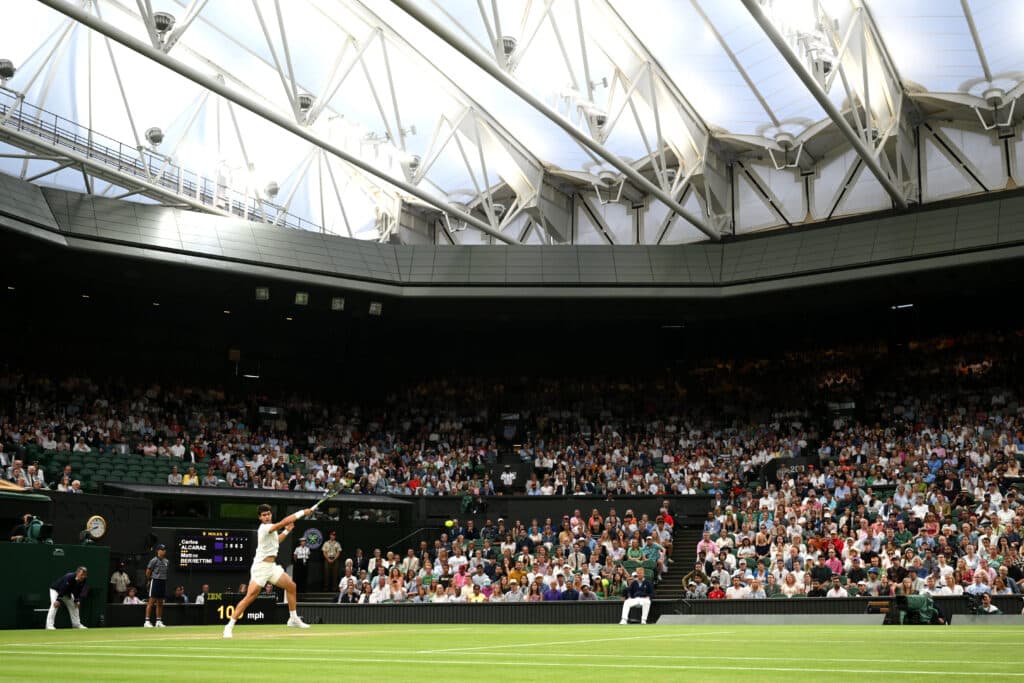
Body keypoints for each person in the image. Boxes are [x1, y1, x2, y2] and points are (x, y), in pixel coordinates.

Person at [223, 504, 313, 638]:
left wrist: (287, 531)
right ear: (260, 517)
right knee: (250, 597)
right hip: (260, 567)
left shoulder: (271, 530)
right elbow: (282, 523)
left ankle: (293, 618)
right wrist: (302, 512)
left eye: (268, 514)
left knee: (291, 586)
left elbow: (276, 541)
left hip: (272, 567)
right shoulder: (264, 528)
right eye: (264, 515)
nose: (266, 517)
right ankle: (229, 626)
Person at [144, 544, 169, 627]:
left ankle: (158, 621)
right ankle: (147, 621)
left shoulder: (166, 561)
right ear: (158, 551)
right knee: (151, 602)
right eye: (162, 549)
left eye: (164, 549)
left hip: (163, 582)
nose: (164, 551)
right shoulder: (154, 560)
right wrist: (149, 580)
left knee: (160, 603)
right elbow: (148, 571)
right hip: (155, 581)